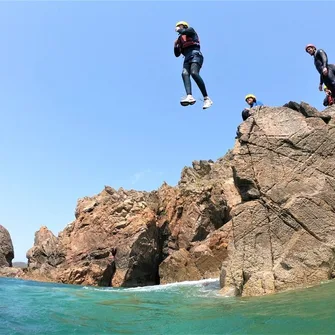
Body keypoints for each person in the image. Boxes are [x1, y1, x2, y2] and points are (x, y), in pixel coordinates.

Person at [174, 21, 213, 109]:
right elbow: (177, 54)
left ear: (184, 26)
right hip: (187, 57)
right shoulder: (180, 39)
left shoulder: (190, 30)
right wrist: (175, 45)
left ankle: (207, 98)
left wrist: (179, 30)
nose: (177, 28)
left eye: (179, 26)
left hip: (195, 54)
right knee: (184, 73)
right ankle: (189, 96)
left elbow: (183, 32)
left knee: (194, 73)